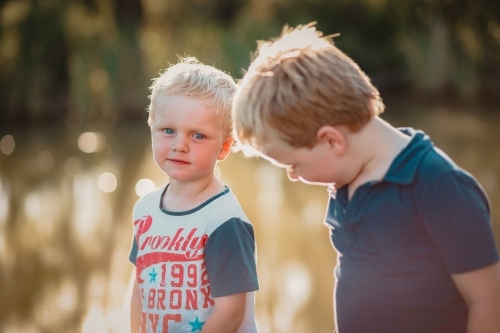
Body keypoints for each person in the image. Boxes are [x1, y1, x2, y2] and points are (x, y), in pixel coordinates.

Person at [231, 23, 500, 333]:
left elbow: (488, 302)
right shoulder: (347, 179)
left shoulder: (438, 186)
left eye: (293, 164)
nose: (293, 176)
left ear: (332, 141)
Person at [129, 57, 259, 333]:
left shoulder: (224, 221)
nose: (180, 146)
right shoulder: (145, 210)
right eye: (168, 131)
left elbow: (231, 314)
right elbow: (139, 290)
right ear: (151, 129)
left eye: (197, 136)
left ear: (224, 148)